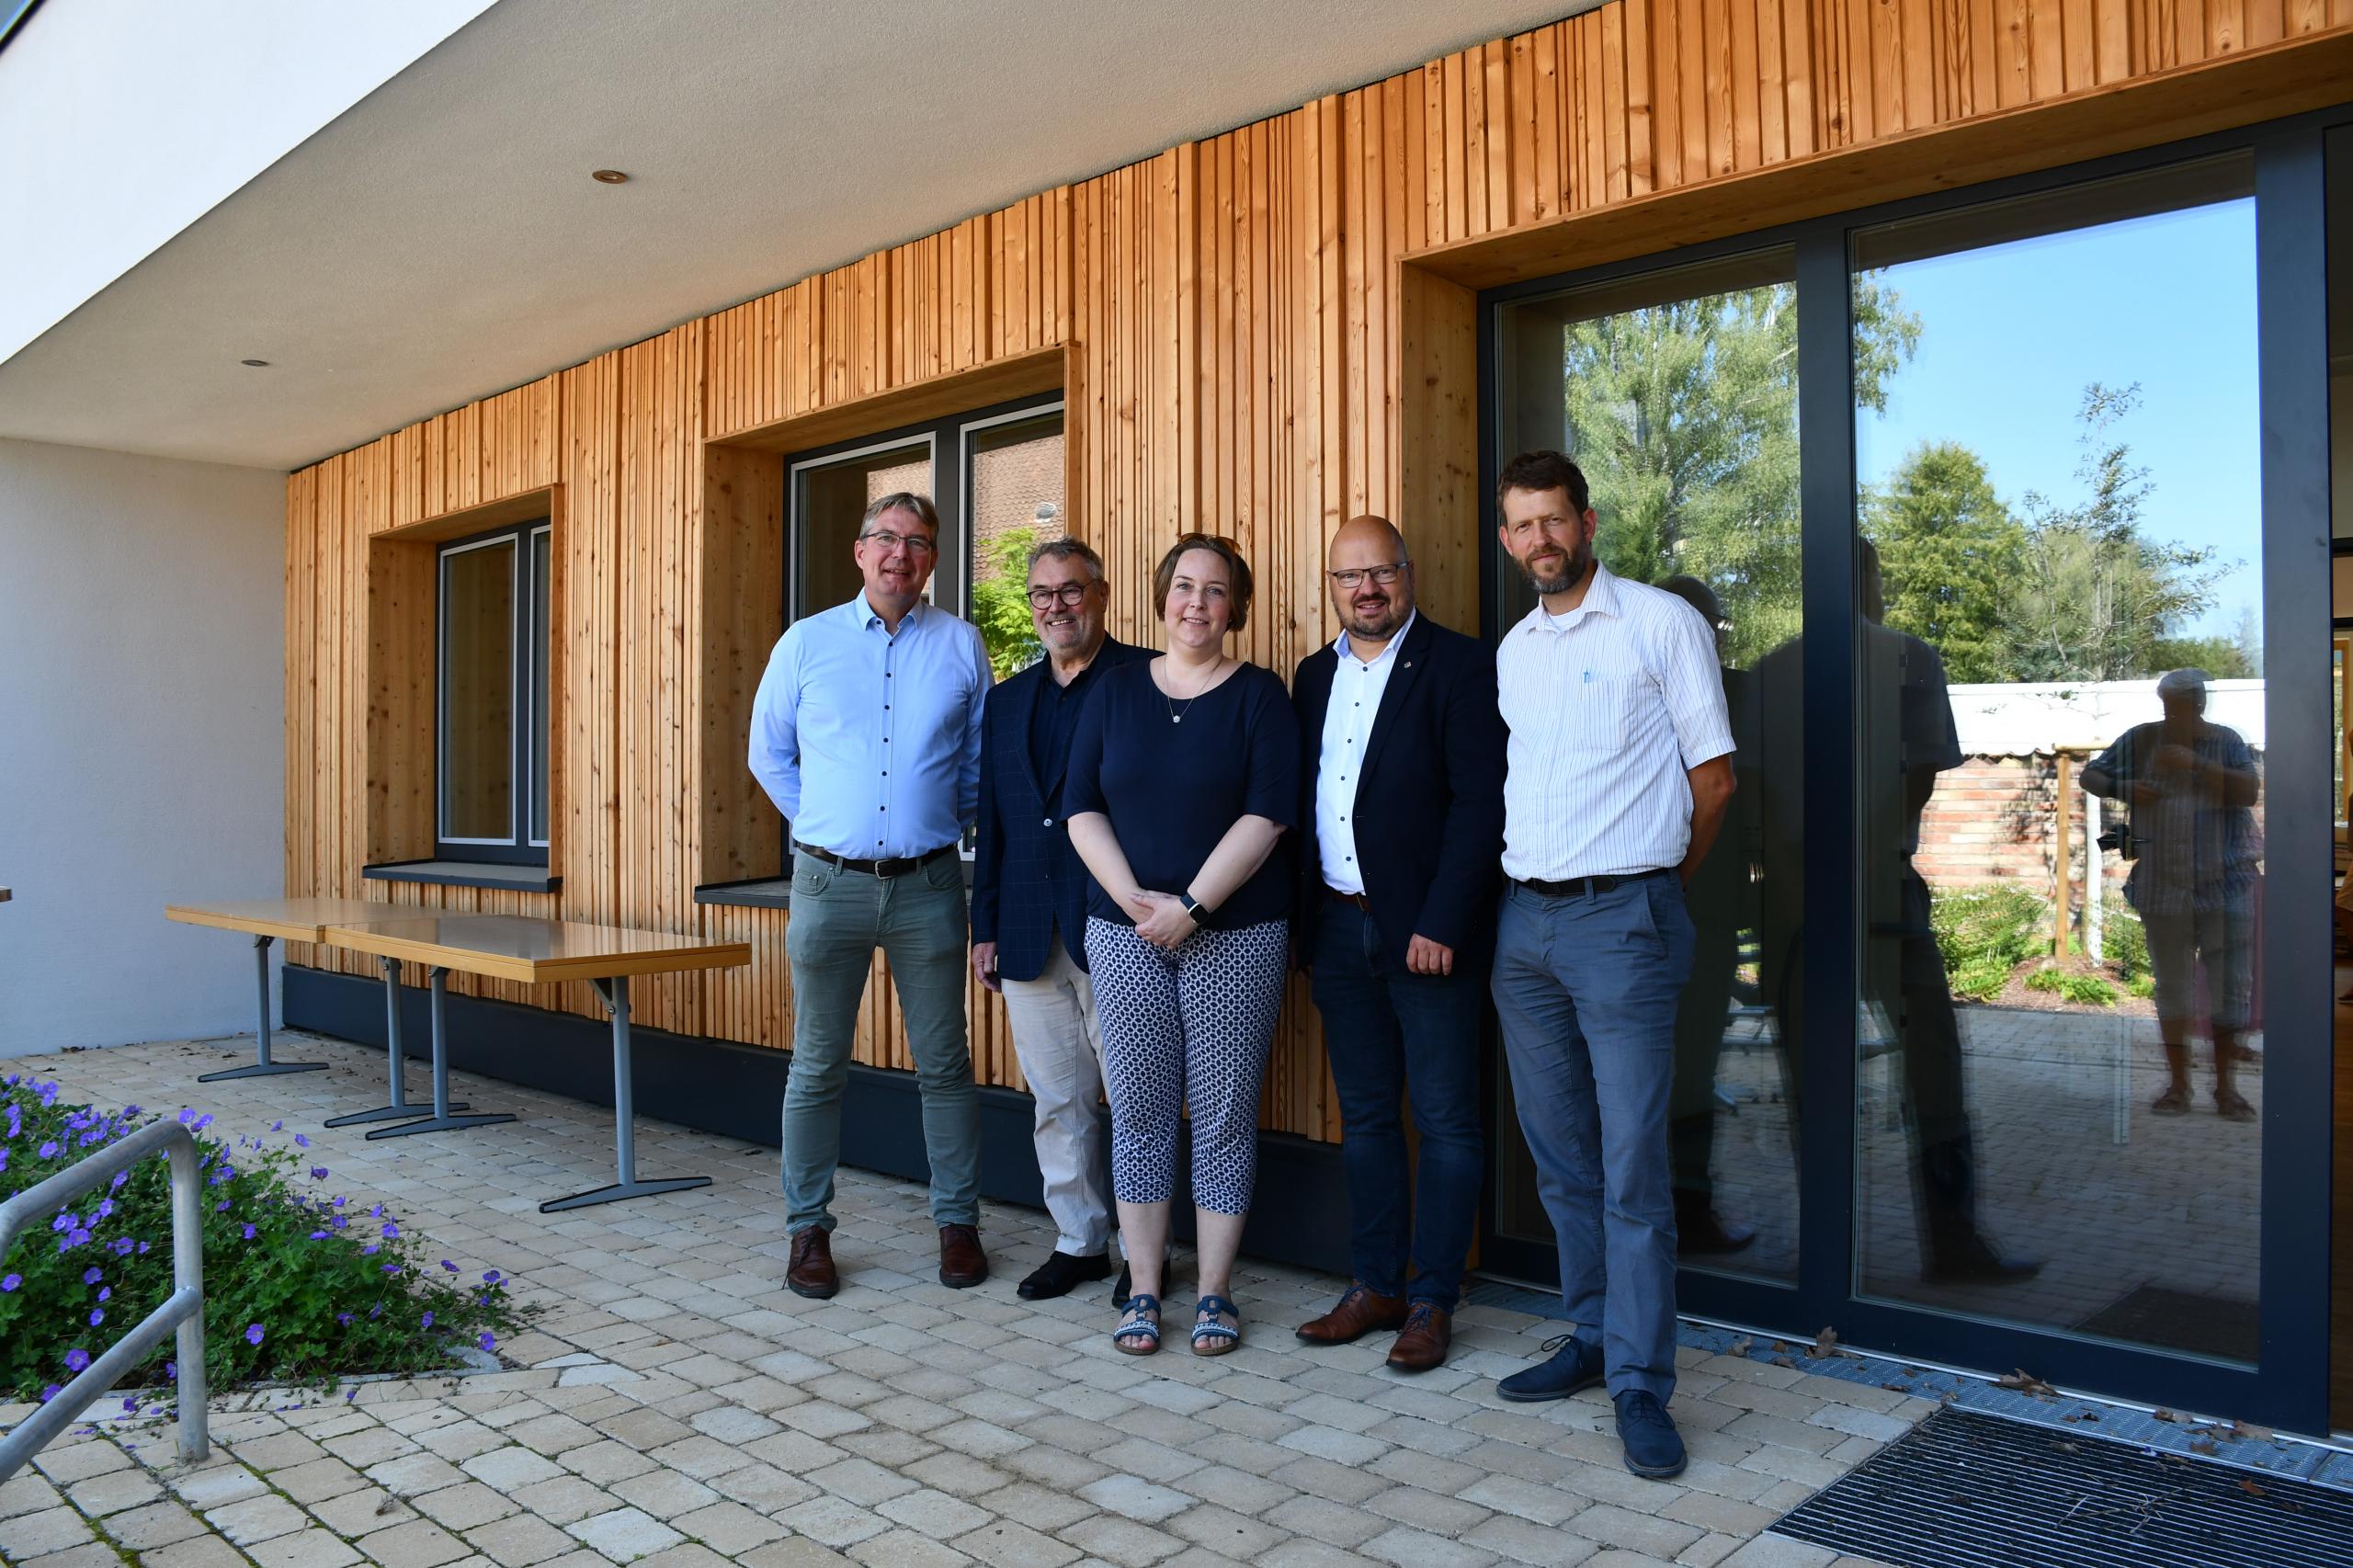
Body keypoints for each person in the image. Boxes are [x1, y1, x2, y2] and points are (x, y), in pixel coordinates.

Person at [1486, 450, 1735, 1482]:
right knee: (1561, 1156)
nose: (1539, 539)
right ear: (1507, 540)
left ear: (1586, 522)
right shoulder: (1514, 649)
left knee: (1633, 1166)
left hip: (1620, 918)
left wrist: (1650, 888)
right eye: (1521, 525)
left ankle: (1641, 1381)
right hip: (1523, 929)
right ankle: (1590, 1337)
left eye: (1554, 519)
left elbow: (1713, 779)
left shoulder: (1656, 623)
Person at [748, 493, 994, 1300]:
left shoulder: (961, 644)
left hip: (928, 885)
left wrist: (933, 825)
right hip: (828, 885)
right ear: (859, 552)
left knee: (945, 1065)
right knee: (816, 1067)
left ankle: (958, 1224)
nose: (900, 554)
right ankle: (807, 1232)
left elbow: (975, 768)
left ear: (931, 560)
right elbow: (769, 755)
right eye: (886, 538)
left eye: (918, 541)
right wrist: (826, 824)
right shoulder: (806, 643)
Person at [1065, 533, 1298, 1358]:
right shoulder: (1115, 692)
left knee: (1225, 1117)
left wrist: (1192, 908)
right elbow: (1080, 805)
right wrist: (1136, 901)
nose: (1196, 603)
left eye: (1216, 591)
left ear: (1236, 606)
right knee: (1138, 1116)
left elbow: (1267, 816)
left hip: (1234, 936)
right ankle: (1142, 1289)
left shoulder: (1261, 697)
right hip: (1124, 933)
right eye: (1184, 587)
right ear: (1162, 596)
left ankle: (1214, 1292)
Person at [1290, 515, 1504, 1371]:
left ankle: (1432, 1299)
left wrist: (1441, 922)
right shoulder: (1311, 677)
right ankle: (1375, 1284)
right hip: (1339, 927)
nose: (1367, 589)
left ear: (1409, 576)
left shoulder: (1460, 665)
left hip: (1427, 936)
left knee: (1448, 1121)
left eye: (1382, 572)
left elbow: (1480, 806)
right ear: (1332, 587)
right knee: (1370, 1117)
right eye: (1350, 577)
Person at [971, 537, 1149, 1301]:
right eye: (1042, 595)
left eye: (1071, 591)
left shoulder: (1144, 680)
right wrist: (983, 927)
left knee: (1137, 1096)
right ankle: (1079, 1241)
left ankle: (1150, 1256)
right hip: (1026, 930)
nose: (1055, 607)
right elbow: (996, 823)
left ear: (1101, 595)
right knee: (1058, 1101)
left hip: (1116, 924)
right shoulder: (1007, 700)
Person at [2081, 667, 2261, 1121]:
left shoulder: (2226, 740)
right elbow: (2091, 777)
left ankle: (2226, 1090)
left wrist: (2196, 764)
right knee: (2172, 989)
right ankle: (2179, 1086)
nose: (2176, 709)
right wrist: (2125, 787)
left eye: (2185, 702)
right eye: (2169, 702)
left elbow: (2248, 791)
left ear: (2201, 702)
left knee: (2230, 990)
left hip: (2226, 885)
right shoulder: (2142, 738)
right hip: (2163, 884)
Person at [1654, 575, 1767, 1256]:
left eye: (1712, 628)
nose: (1703, 638)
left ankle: (1692, 1211)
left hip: (1711, 906)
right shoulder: (1623, 679)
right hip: (1633, 906)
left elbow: (1762, 796)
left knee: (1693, 1067)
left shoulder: (1747, 692)